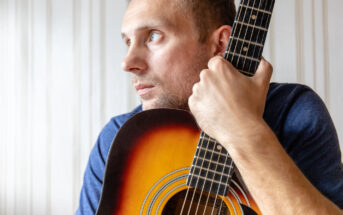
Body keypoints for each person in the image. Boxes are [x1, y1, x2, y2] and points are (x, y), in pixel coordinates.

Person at [76, 0, 343, 214]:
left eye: (153, 35)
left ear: (221, 44)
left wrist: (242, 129)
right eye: (127, 41)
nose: (128, 62)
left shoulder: (293, 113)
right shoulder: (119, 140)